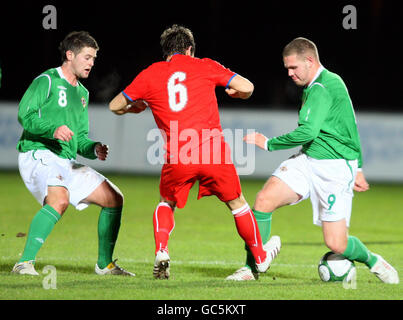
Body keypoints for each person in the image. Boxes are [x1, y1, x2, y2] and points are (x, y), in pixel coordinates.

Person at [109, 24, 281, 279]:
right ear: (189, 49)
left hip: (179, 154)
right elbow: (248, 87)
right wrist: (237, 93)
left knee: (166, 202)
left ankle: (162, 250)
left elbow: (114, 105)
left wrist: (130, 109)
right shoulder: (205, 65)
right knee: (237, 203)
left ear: (166, 51)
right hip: (213, 152)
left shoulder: (151, 73)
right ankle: (260, 257)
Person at [227, 37, 399, 284]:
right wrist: (359, 166)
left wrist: (268, 143)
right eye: (287, 68)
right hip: (309, 160)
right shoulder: (320, 84)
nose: (289, 73)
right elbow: (350, 125)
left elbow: (308, 132)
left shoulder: (322, 87)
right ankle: (250, 268)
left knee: (336, 243)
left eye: (293, 67)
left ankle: (373, 260)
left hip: (335, 168)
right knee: (264, 200)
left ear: (310, 60)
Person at [12, 31, 134, 276]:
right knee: (59, 200)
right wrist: (53, 129)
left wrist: (94, 148)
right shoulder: (46, 80)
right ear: (70, 55)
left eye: (93, 58)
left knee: (114, 198)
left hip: (65, 160)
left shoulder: (83, 94)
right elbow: (24, 115)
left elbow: (78, 139)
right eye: (87, 57)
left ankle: (105, 264)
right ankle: (23, 263)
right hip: (38, 152)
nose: (91, 63)